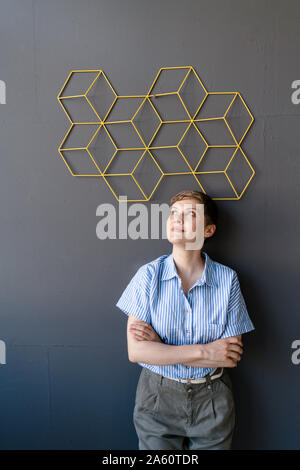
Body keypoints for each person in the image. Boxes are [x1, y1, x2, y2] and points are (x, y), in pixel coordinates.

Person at [116, 189, 255, 450]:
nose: (177, 219)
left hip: (212, 400)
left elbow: (228, 356)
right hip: (157, 397)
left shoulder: (227, 280)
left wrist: (161, 348)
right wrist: (205, 350)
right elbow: (136, 351)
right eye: (174, 214)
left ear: (208, 230)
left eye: (190, 214)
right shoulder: (148, 276)